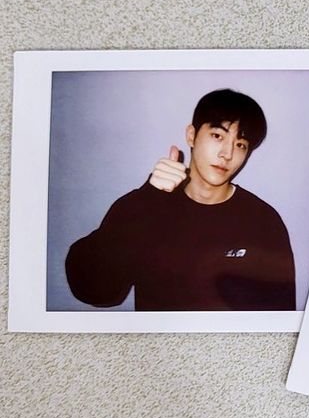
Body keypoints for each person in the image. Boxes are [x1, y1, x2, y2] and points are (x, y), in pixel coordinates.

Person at [65, 89, 296, 311]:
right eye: (218, 136)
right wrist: (147, 198)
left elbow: (279, 316)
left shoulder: (263, 221)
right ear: (191, 135)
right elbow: (94, 290)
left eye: (240, 145)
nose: (227, 154)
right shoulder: (143, 205)